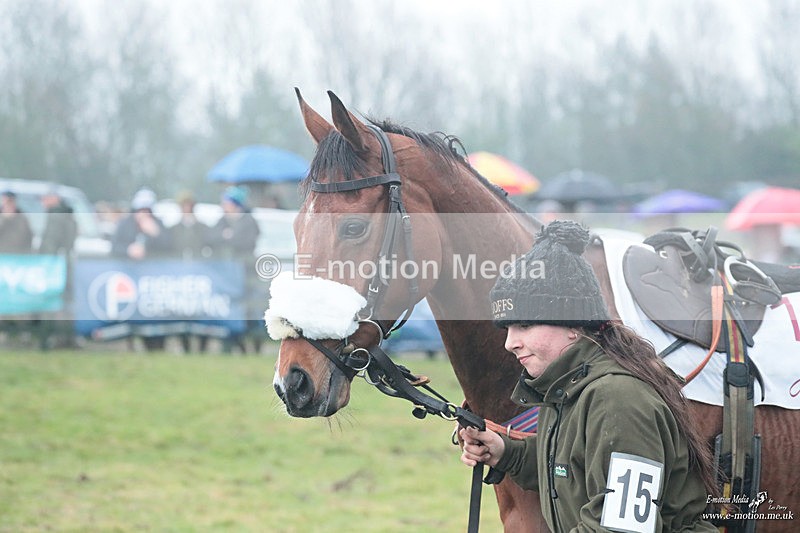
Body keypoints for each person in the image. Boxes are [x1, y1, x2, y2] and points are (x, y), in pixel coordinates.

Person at [459, 220, 717, 532]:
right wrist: (505, 452)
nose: (509, 342)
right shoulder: (569, 388)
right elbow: (567, 469)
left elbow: (622, 528)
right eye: (507, 328)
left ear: (573, 326)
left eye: (524, 325)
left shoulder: (617, 400)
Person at [111, 188, 173, 351]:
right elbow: (114, 247)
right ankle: (131, 344)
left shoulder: (158, 225)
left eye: (147, 210)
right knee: (131, 312)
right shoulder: (125, 224)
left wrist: (155, 233)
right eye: (141, 210)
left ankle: (157, 346)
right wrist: (128, 251)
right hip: (131, 276)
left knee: (154, 313)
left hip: (152, 278)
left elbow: (170, 246)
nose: (144, 213)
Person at [207, 186, 260, 353]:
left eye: (226, 202)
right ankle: (233, 342)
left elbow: (247, 241)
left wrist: (230, 237)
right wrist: (225, 237)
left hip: (246, 272)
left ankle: (250, 343)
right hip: (227, 273)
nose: (223, 205)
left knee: (248, 307)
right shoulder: (222, 220)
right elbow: (209, 238)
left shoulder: (248, 220)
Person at [168, 190, 211, 353]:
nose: (186, 208)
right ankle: (185, 346)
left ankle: (202, 347)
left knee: (201, 310)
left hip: (199, 274)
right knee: (182, 310)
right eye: (183, 205)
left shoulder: (202, 227)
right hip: (180, 275)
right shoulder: (174, 229)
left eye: (189, 205)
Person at [39, 188, 78, 255]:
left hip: (55, 259)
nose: (42, 202)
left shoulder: (56, 216)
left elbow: (51, 241)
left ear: (55, 199)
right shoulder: (66, 215)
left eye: (45, 198)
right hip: (62, 257)